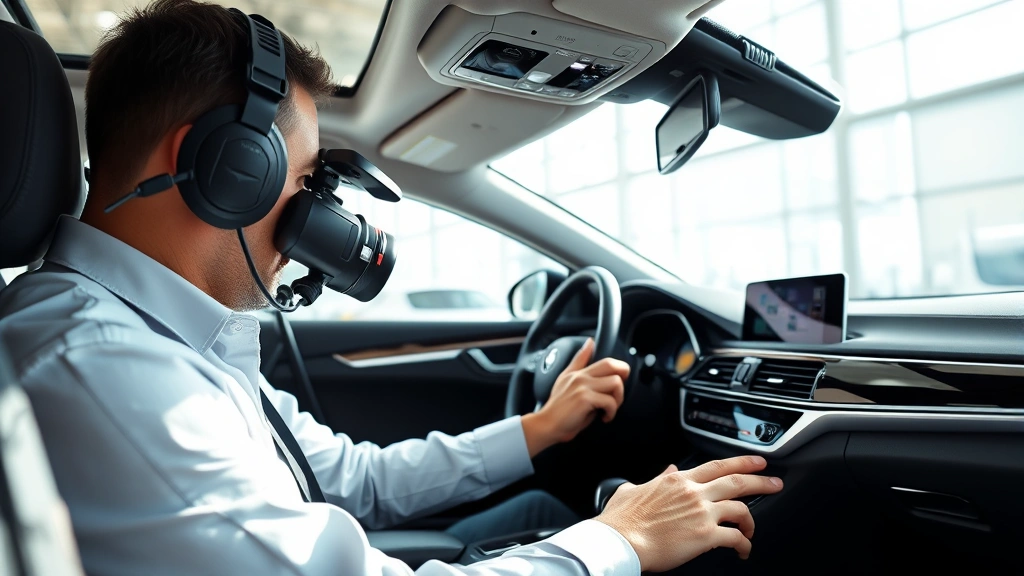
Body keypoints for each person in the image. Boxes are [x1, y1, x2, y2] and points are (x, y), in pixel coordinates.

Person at [0, 1, 783, 574]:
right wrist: (619, 543)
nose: (316, 216)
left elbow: (345, 479)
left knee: (549, 514)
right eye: (304, 179)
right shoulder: (102, 370)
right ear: (220, 171)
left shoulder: (161, 336)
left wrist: (538, 431)